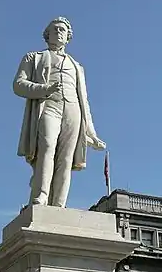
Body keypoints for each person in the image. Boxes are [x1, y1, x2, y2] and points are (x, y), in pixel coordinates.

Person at [13, 17, 106, 208]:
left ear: (68, 36)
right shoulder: (34, 57)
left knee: (66, 158)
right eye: (55, 29)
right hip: (48, 106)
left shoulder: (77, 66)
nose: (59, 32)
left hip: (73, 110)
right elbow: (18, 85)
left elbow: (84, 101)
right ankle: (41, 196)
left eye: (63, 29)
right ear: (47, 35)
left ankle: (59, 204)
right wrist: (44, 89)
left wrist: (91, 133)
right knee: (47, 148)